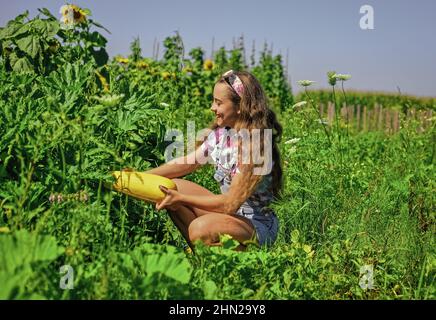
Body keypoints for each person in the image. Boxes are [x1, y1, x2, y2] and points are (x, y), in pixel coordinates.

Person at [140, 70, 283, 250]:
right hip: (231, 216)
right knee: (169, 186)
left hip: (256, 226)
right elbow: (187, 163)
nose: (212, 108)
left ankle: (238, 260)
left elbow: (229, 204)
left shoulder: (254, 146)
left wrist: (182, 198)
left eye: (218, 103)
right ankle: (201, 254)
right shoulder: (222, 135)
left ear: (240, 106)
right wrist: (140, 176)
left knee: (200, 228)